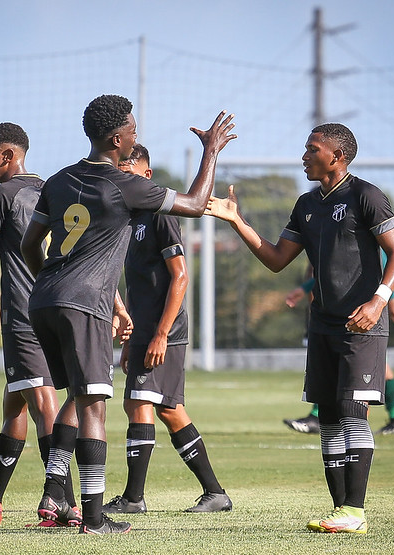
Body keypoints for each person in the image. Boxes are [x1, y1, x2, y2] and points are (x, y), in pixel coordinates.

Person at [20, 94, 235, 535]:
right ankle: (95, 520)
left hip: (42, 299)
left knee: (77, 398)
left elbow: (29, 246)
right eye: (133, 131)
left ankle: (56, 496)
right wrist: (211, 150)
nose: (136, 136)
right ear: (118, 139)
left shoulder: (59, 180)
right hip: (83, 305)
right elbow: (196, 204)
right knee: (95, 405)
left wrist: (56, 283)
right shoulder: (124, 184)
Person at [206, 122, 394, 534]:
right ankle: (341, 512)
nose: (303, 155)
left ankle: (355, 510)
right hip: (323, 325)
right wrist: (236, 220)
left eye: (312, 149)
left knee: (354, 412)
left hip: (362, 323)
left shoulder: (366, 196)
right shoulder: (306, 203)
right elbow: (278, 258)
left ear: (338, 156)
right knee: (330, 417)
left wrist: (378, 301)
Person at [0, 122, 79, 527]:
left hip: (24, 314)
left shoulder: (0, 195)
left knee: (42, 402)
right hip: (60, 307)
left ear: (8, 156)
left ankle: (63, 503)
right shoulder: (53, 190)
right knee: (15, 401)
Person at [102, 144, 232, 516]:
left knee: (138, 403)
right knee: (170, 410)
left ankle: (132, 499)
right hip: (145, 330)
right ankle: (215, 493)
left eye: (128, 169)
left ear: (146, 175)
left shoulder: (160, 216)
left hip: (166, 330)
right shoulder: (126, 222)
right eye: (117, 169)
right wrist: (133, 339)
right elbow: (138, 284)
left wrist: (160, 334)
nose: (121, 175)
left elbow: (180, 277)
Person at [284, 267, 394, 435]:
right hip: (338, 307)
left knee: (354, 364)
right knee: (375, 365)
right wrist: (305, 288)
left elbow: (382, 259)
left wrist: (390, 296)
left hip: (360, 309)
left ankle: (319, 417)